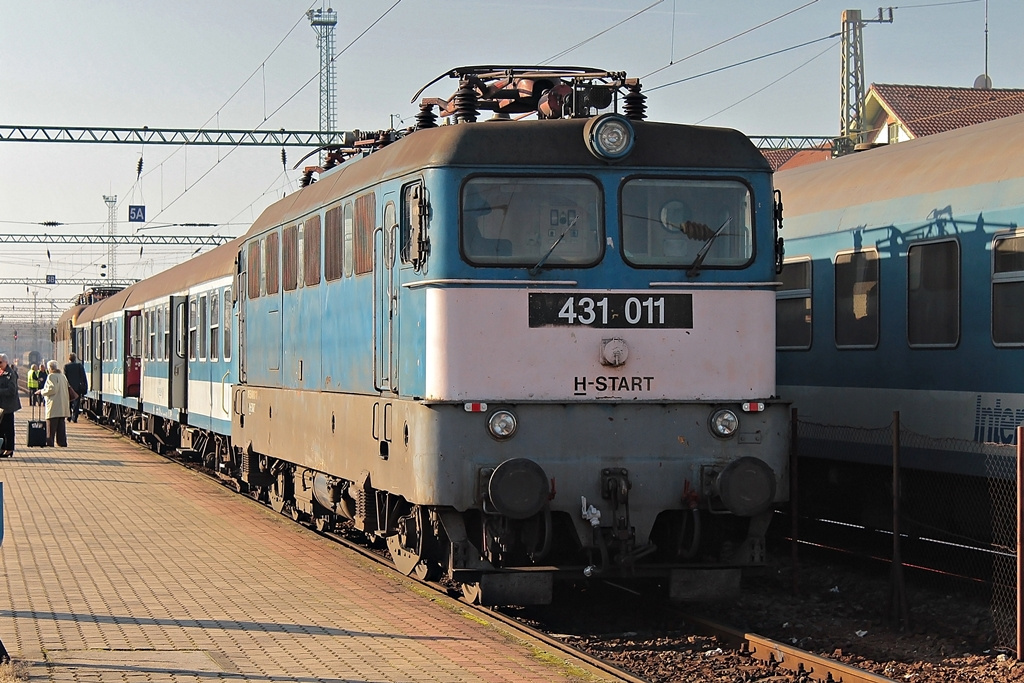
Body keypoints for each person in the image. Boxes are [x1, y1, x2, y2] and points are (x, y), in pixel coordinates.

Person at [37, 360, 70, 448]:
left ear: (50, 368)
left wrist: (42, 391)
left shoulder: (51, 376)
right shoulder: (62, 376)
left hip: (54, 404)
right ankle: (62, 442)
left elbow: (52, 389)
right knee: (61, 426)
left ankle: (50, 442)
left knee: (51, 425)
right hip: (62, 404)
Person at [0, 353, 22, 456]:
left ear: (6, 362)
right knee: (1, 428)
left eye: (0, 362)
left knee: (8, 428)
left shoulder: (10, 374)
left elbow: (12, 390)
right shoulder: (1, 372)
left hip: (8, 406)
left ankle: (9, 449)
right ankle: (2, 447)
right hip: (1, 406)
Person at [64, 352, 88, 423]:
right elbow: (83, 377)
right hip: (77, 387)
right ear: (75, 359)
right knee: (77, 403)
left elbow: (65, 377)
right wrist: (85, 385)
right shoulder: (79, 366)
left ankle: (69, 416)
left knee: (69, 402)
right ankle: (75, 417)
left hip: (69, 387)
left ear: (69, 359)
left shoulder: (66, 366)